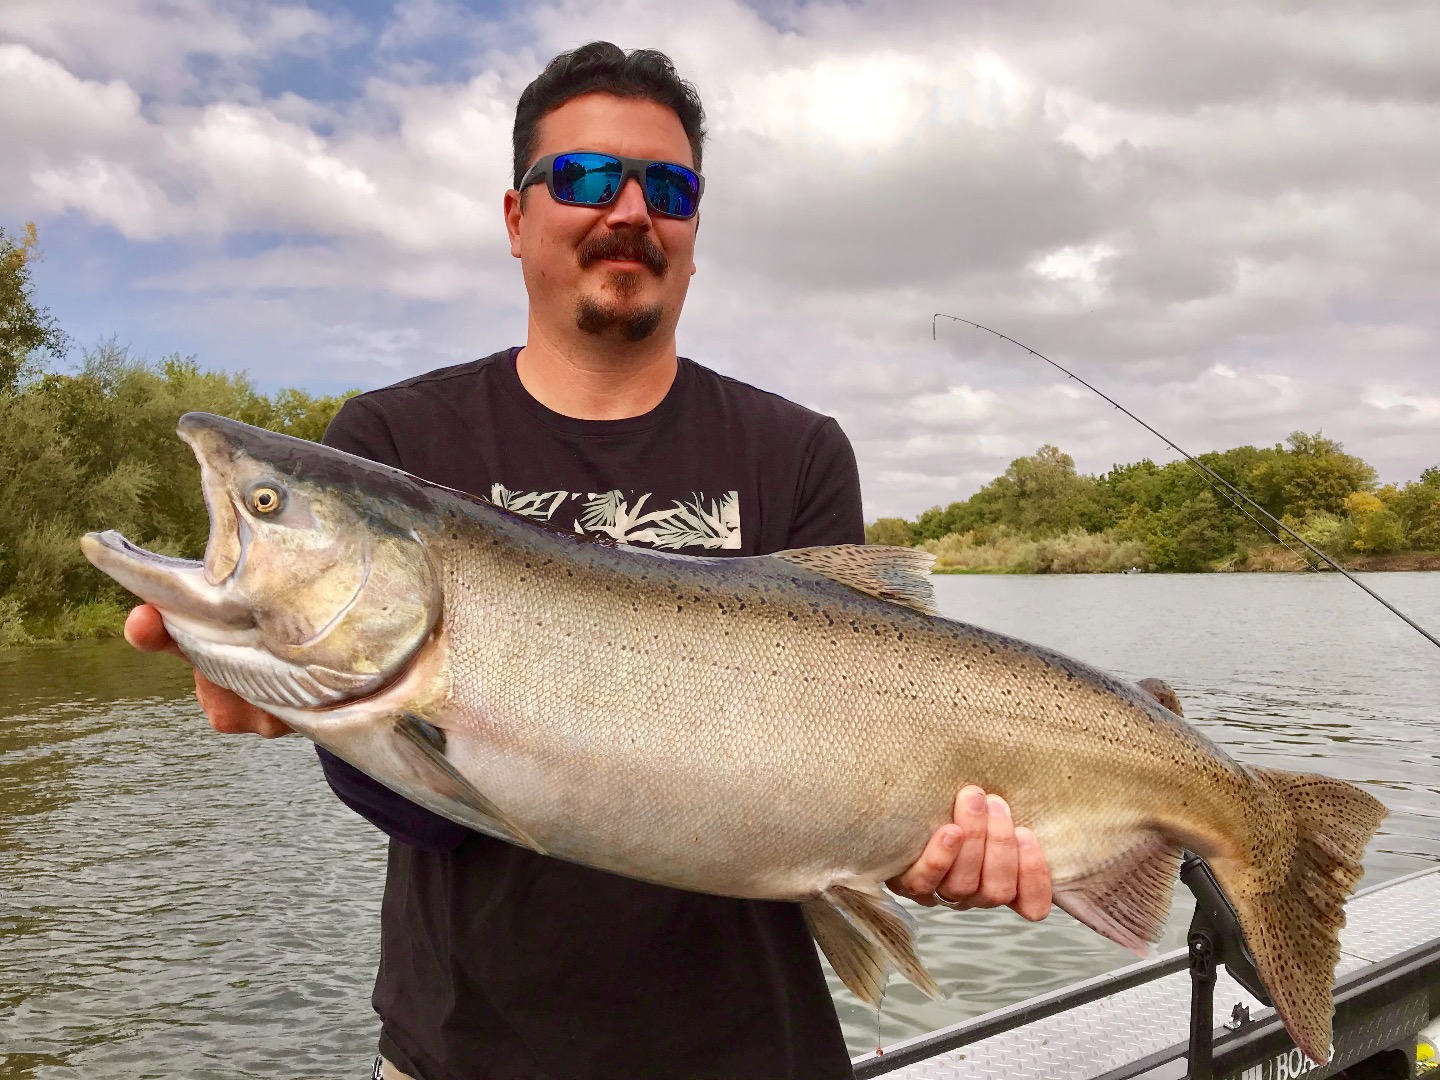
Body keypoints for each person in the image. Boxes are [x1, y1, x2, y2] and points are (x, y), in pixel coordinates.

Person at [124, 42, 1051, 1080]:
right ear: (517, 220)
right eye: (586, 178)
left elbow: (851, 783)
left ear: (695, 232)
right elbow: (418, 813)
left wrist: (917, 848)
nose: (630, 209)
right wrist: (313, 706)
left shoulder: (798, 451)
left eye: (671, 186)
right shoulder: (385, 443)